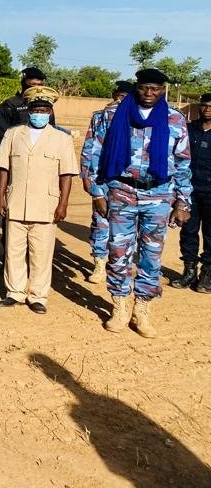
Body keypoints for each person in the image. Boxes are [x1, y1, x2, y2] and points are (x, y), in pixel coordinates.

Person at [88, 69, 191, 338]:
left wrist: (183, 202)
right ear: (136, 87)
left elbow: (182, 164)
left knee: (151, 255)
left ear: (163, 90)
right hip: (121, 191)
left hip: (158, 195)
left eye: (155, 89)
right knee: (119, 251)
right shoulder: (112, 115)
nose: (149, 94)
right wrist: (98, 193)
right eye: (144, 88)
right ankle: (119, 306)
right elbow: (94, 154)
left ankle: (142, 308)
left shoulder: (175, 119)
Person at [0, 86, 77, 314]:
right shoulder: (13, 134)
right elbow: (3, 167)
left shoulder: (62, 138)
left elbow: (67, 174)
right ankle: (15, 292)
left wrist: (63, 203)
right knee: (14, 251)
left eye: (44, 109)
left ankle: (38, 296)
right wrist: (1, 195)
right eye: (36, 109)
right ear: (29, 111)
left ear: (50, 112)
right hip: (16, 201)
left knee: (41, 253)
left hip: (46, 205)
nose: (40, 112)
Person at [79, 80, 134, 283]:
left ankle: (119, 266)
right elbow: (89, 147)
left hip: (126, 181)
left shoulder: (135, 118)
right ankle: (100, 265)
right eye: (117, 96)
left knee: (127, 225)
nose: (118, 102)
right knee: (101, 221)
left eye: (123, 97)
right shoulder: (100, 116)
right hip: (102, 177)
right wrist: (86, 175)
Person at [169, 92, 211, 292]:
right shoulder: (188, 129)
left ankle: (207, 275)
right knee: (188, 232)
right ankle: (189, 271)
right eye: (204, 105)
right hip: (190, 192)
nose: (207, 109)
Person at [0, 67, 55, 159]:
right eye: (33, 85)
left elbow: (51, 131)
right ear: (24, 82)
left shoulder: (46, 106)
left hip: (40, 158)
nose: (36, 88)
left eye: (39, 85)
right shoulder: (10, 105)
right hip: (15, 157)